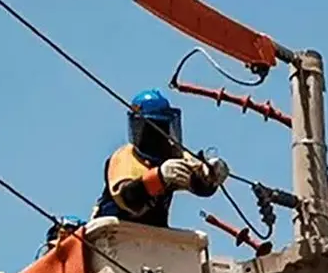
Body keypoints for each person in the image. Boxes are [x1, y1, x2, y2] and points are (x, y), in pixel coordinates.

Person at [92, 89, 229, 228]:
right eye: (151, 129)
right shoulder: (125, 157)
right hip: (111, 234)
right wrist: (159, 177)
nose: (157, 137)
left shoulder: (173, 155)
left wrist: (210, 176)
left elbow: (198, 184)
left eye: (162, 127)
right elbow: (129, 198)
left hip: (153, 237)